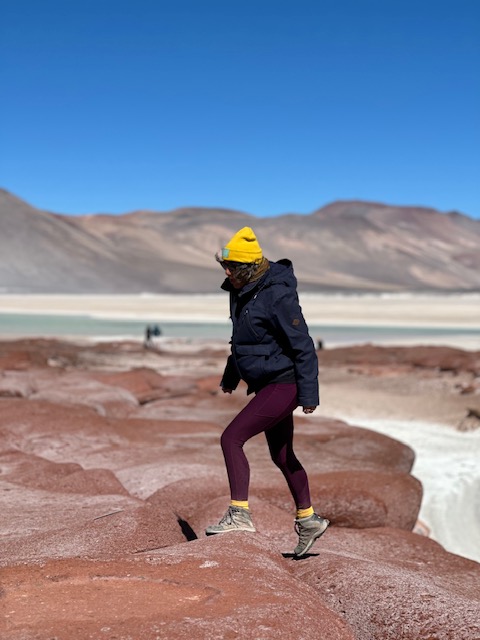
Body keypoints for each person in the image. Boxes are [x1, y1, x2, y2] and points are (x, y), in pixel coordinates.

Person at [205, 227, 329, 556]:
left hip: (284, 382)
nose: (226, 273)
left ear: (246, 269)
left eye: (230, 268)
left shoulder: (277, 295)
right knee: (282, 455)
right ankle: (308, 520)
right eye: (224, 267)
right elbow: (242, 339)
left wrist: (308, 395)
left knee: (230, 439)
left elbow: (303, 346)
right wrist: (231, 375)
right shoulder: (241, 289)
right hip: (267, 382)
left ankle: (239, 514)